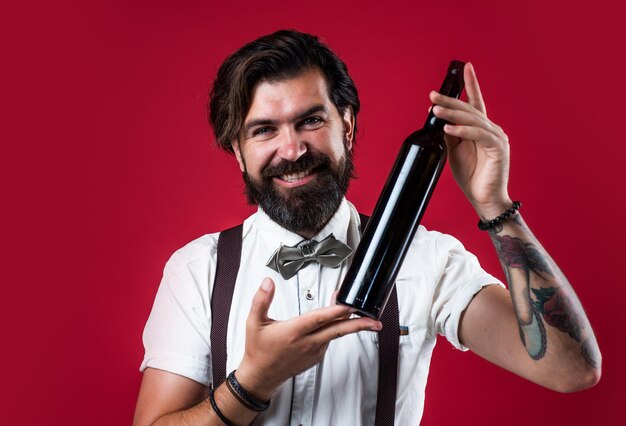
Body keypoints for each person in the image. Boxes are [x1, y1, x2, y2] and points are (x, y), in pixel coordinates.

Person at [134, 30, 601, 425]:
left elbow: (571, 370)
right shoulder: (198, 270)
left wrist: (495, 204)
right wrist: (253, 380)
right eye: (264, 130)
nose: (292, 150)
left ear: (348, 125)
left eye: (311, 120)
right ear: (238, 151)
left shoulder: (426, 257)